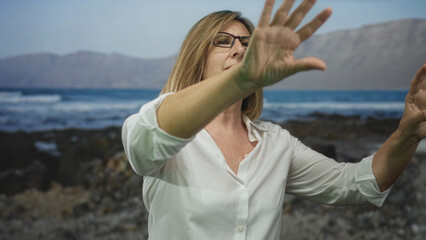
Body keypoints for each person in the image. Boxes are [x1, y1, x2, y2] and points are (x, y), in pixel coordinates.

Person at [122, 0, 426, 239]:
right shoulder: (168, 136)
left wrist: (408, 132)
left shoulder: (276, 143)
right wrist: (239, 81)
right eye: (223, 41)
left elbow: (356, 185)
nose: (240, 48)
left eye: (246, 42)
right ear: (196, 55)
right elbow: (149, 134)